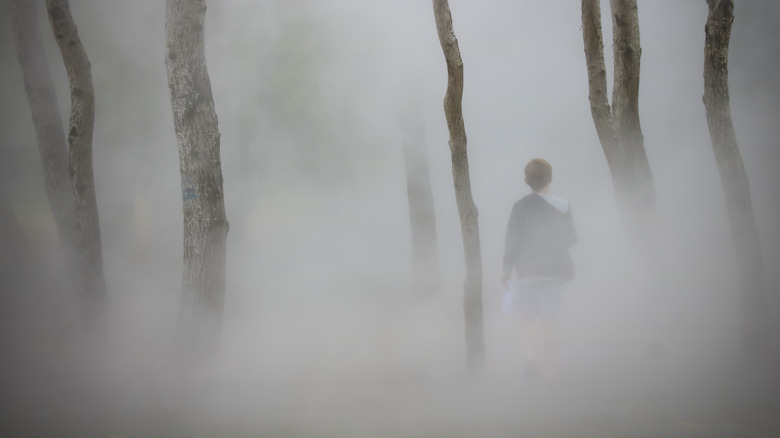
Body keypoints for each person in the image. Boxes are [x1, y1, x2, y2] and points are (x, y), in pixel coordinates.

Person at [502, 158, 577, 381]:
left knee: (527, 316)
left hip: (527, 271)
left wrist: (506, 269)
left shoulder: (519, 206)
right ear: (550, 179)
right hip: (554, 271)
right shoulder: (563, 206)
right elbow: (571, 239)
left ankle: (530, 360)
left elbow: (511, 241)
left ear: (526, 181)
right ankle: (551, 369)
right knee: (550, 317)